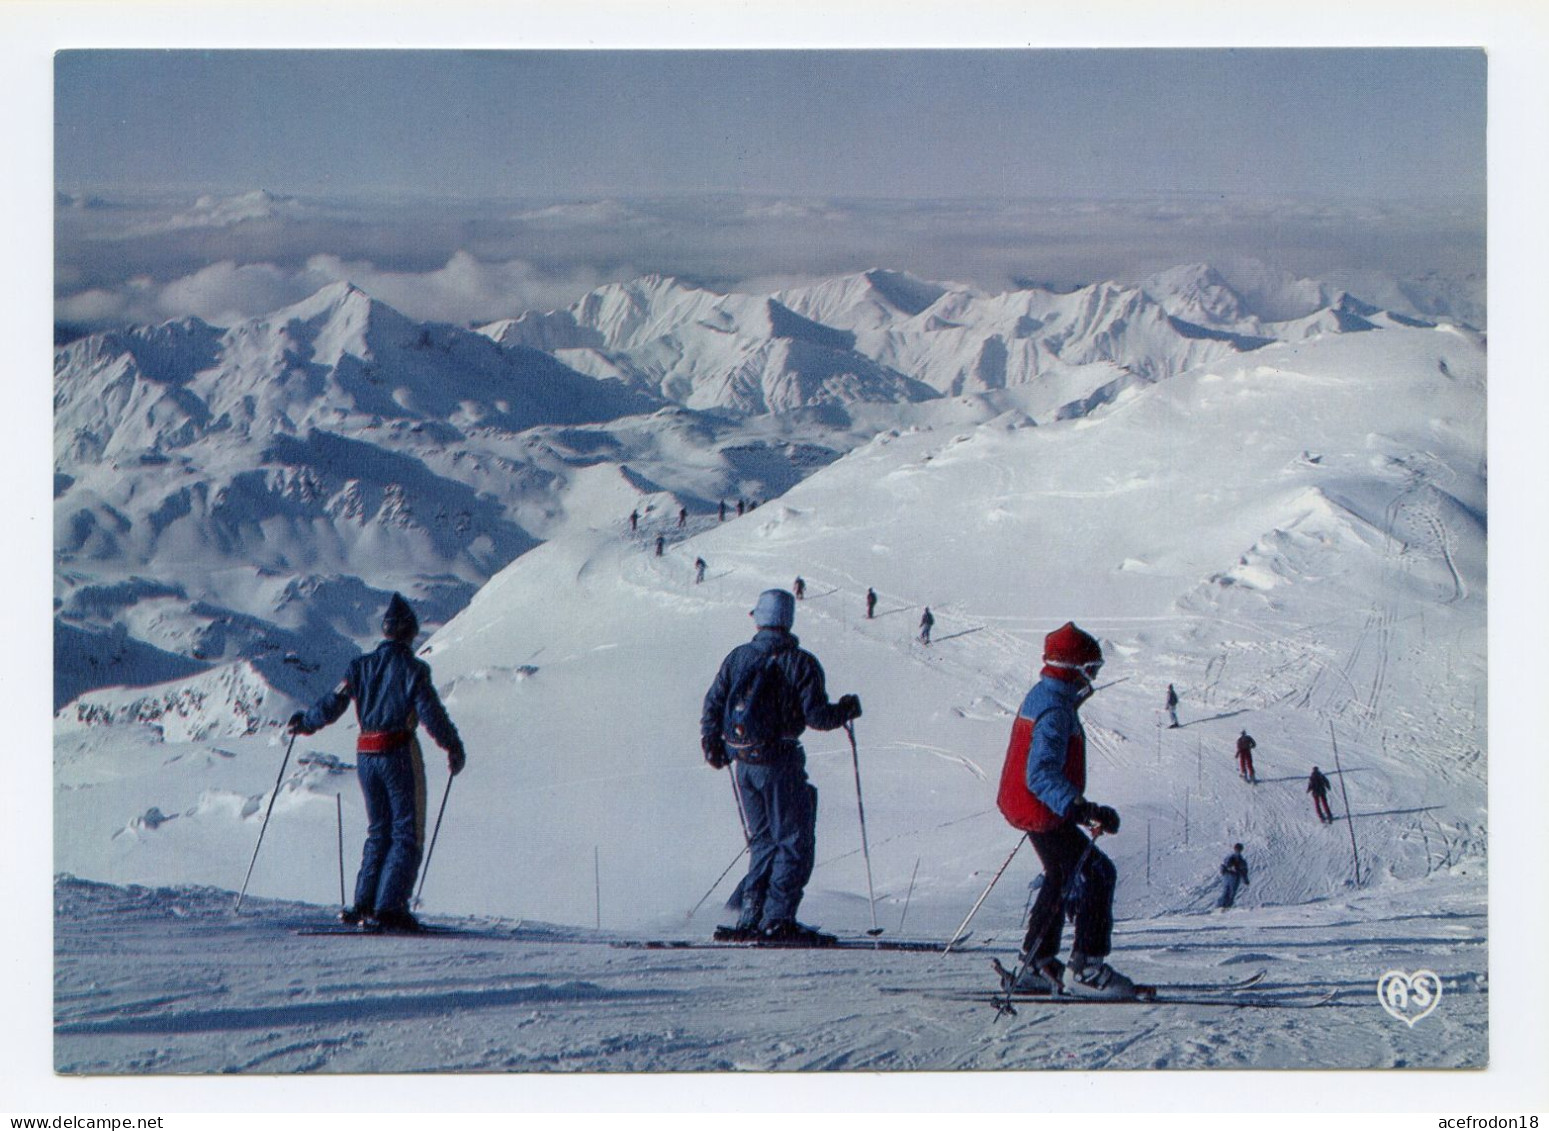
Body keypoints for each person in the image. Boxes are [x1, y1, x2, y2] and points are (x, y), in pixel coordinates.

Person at [288, 594, 465, 932]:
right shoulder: (414, 670)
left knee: (378, 830)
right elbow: (430, 714)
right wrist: (452, 746)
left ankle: (363, 903)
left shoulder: (359, 667)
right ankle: (391, 907)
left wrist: (306, 722)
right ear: (410, 634)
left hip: (365, 753)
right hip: (398, 750)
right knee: (406, 831)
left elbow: (334, 702)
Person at [700, 589, 862, 945]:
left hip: (743, 762)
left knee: (763, 841)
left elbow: (713, 703)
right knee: (793, 840)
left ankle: (750, 916)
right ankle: (778, 918)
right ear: (788, 620)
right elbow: (817, 717)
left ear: (758, 618)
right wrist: (846, 710)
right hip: (781, 763)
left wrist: (713, 743)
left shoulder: (738, 658)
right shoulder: (800, 662)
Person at [995, 622, 1136, 998]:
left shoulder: (1047, 695)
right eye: (1092, 670)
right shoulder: (1056, 709)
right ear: (1074, 668)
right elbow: (1040, 773)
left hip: (1031, 804)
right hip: (1041, 805)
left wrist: (1078, 806)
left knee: (1062, 874)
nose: (1094, 678)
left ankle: (1035, 964)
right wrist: (1080, 807)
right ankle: (1087, 968)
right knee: (1096, 873)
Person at [1218, 843, 1250, 909]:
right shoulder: (1238, 859)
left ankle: (1222, 906)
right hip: (1233, 876)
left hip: (1228, 876)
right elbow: (1243, 870)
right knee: (1230, 891)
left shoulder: (1231, 857)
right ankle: (1225, 906)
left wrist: (1223, 871)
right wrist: (1245, 879)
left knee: (1227, 891)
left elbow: (1223, 865)